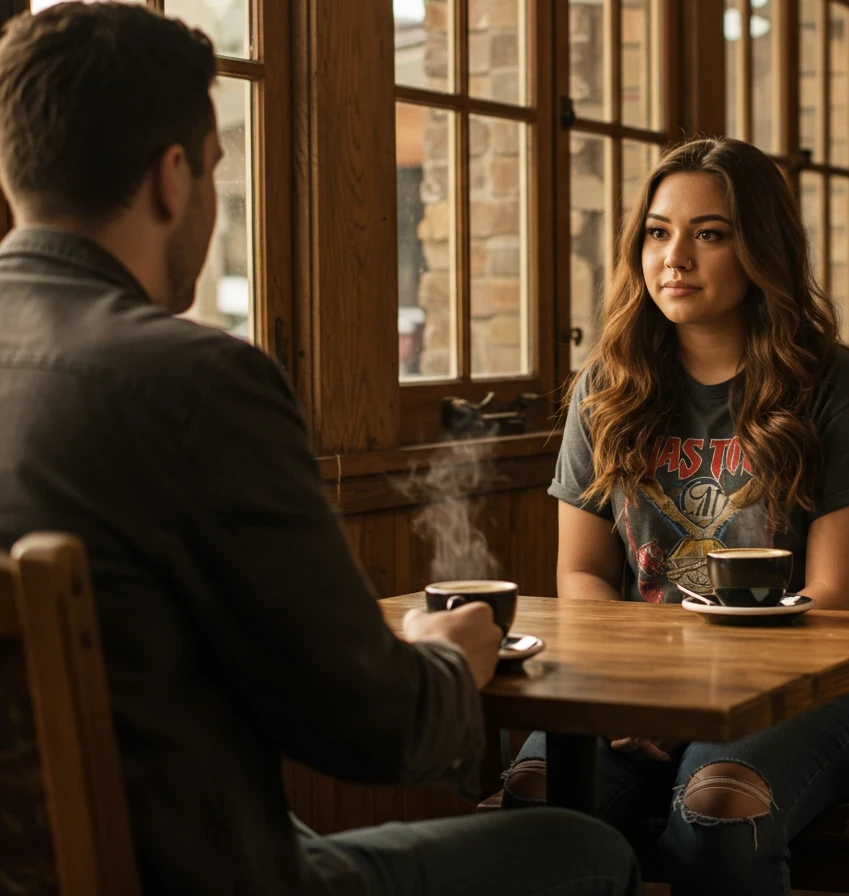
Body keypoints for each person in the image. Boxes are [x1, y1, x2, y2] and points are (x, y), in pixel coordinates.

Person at [0, 4, 642, 895]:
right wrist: (450, 655)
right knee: (586, 851)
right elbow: (370, 725)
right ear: (172, 180)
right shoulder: (195, 385)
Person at [500, 136, 849, 895]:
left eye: (709, 234)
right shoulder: (606, 387)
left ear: (761, 249)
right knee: (535, 801)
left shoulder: (839, 388)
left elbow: (833, 603)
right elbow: (583, 574)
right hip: (635, 687)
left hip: (808, 689)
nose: (675, 258)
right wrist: (636, 691)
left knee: (718, 808)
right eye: (658, 232)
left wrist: (697, 705)